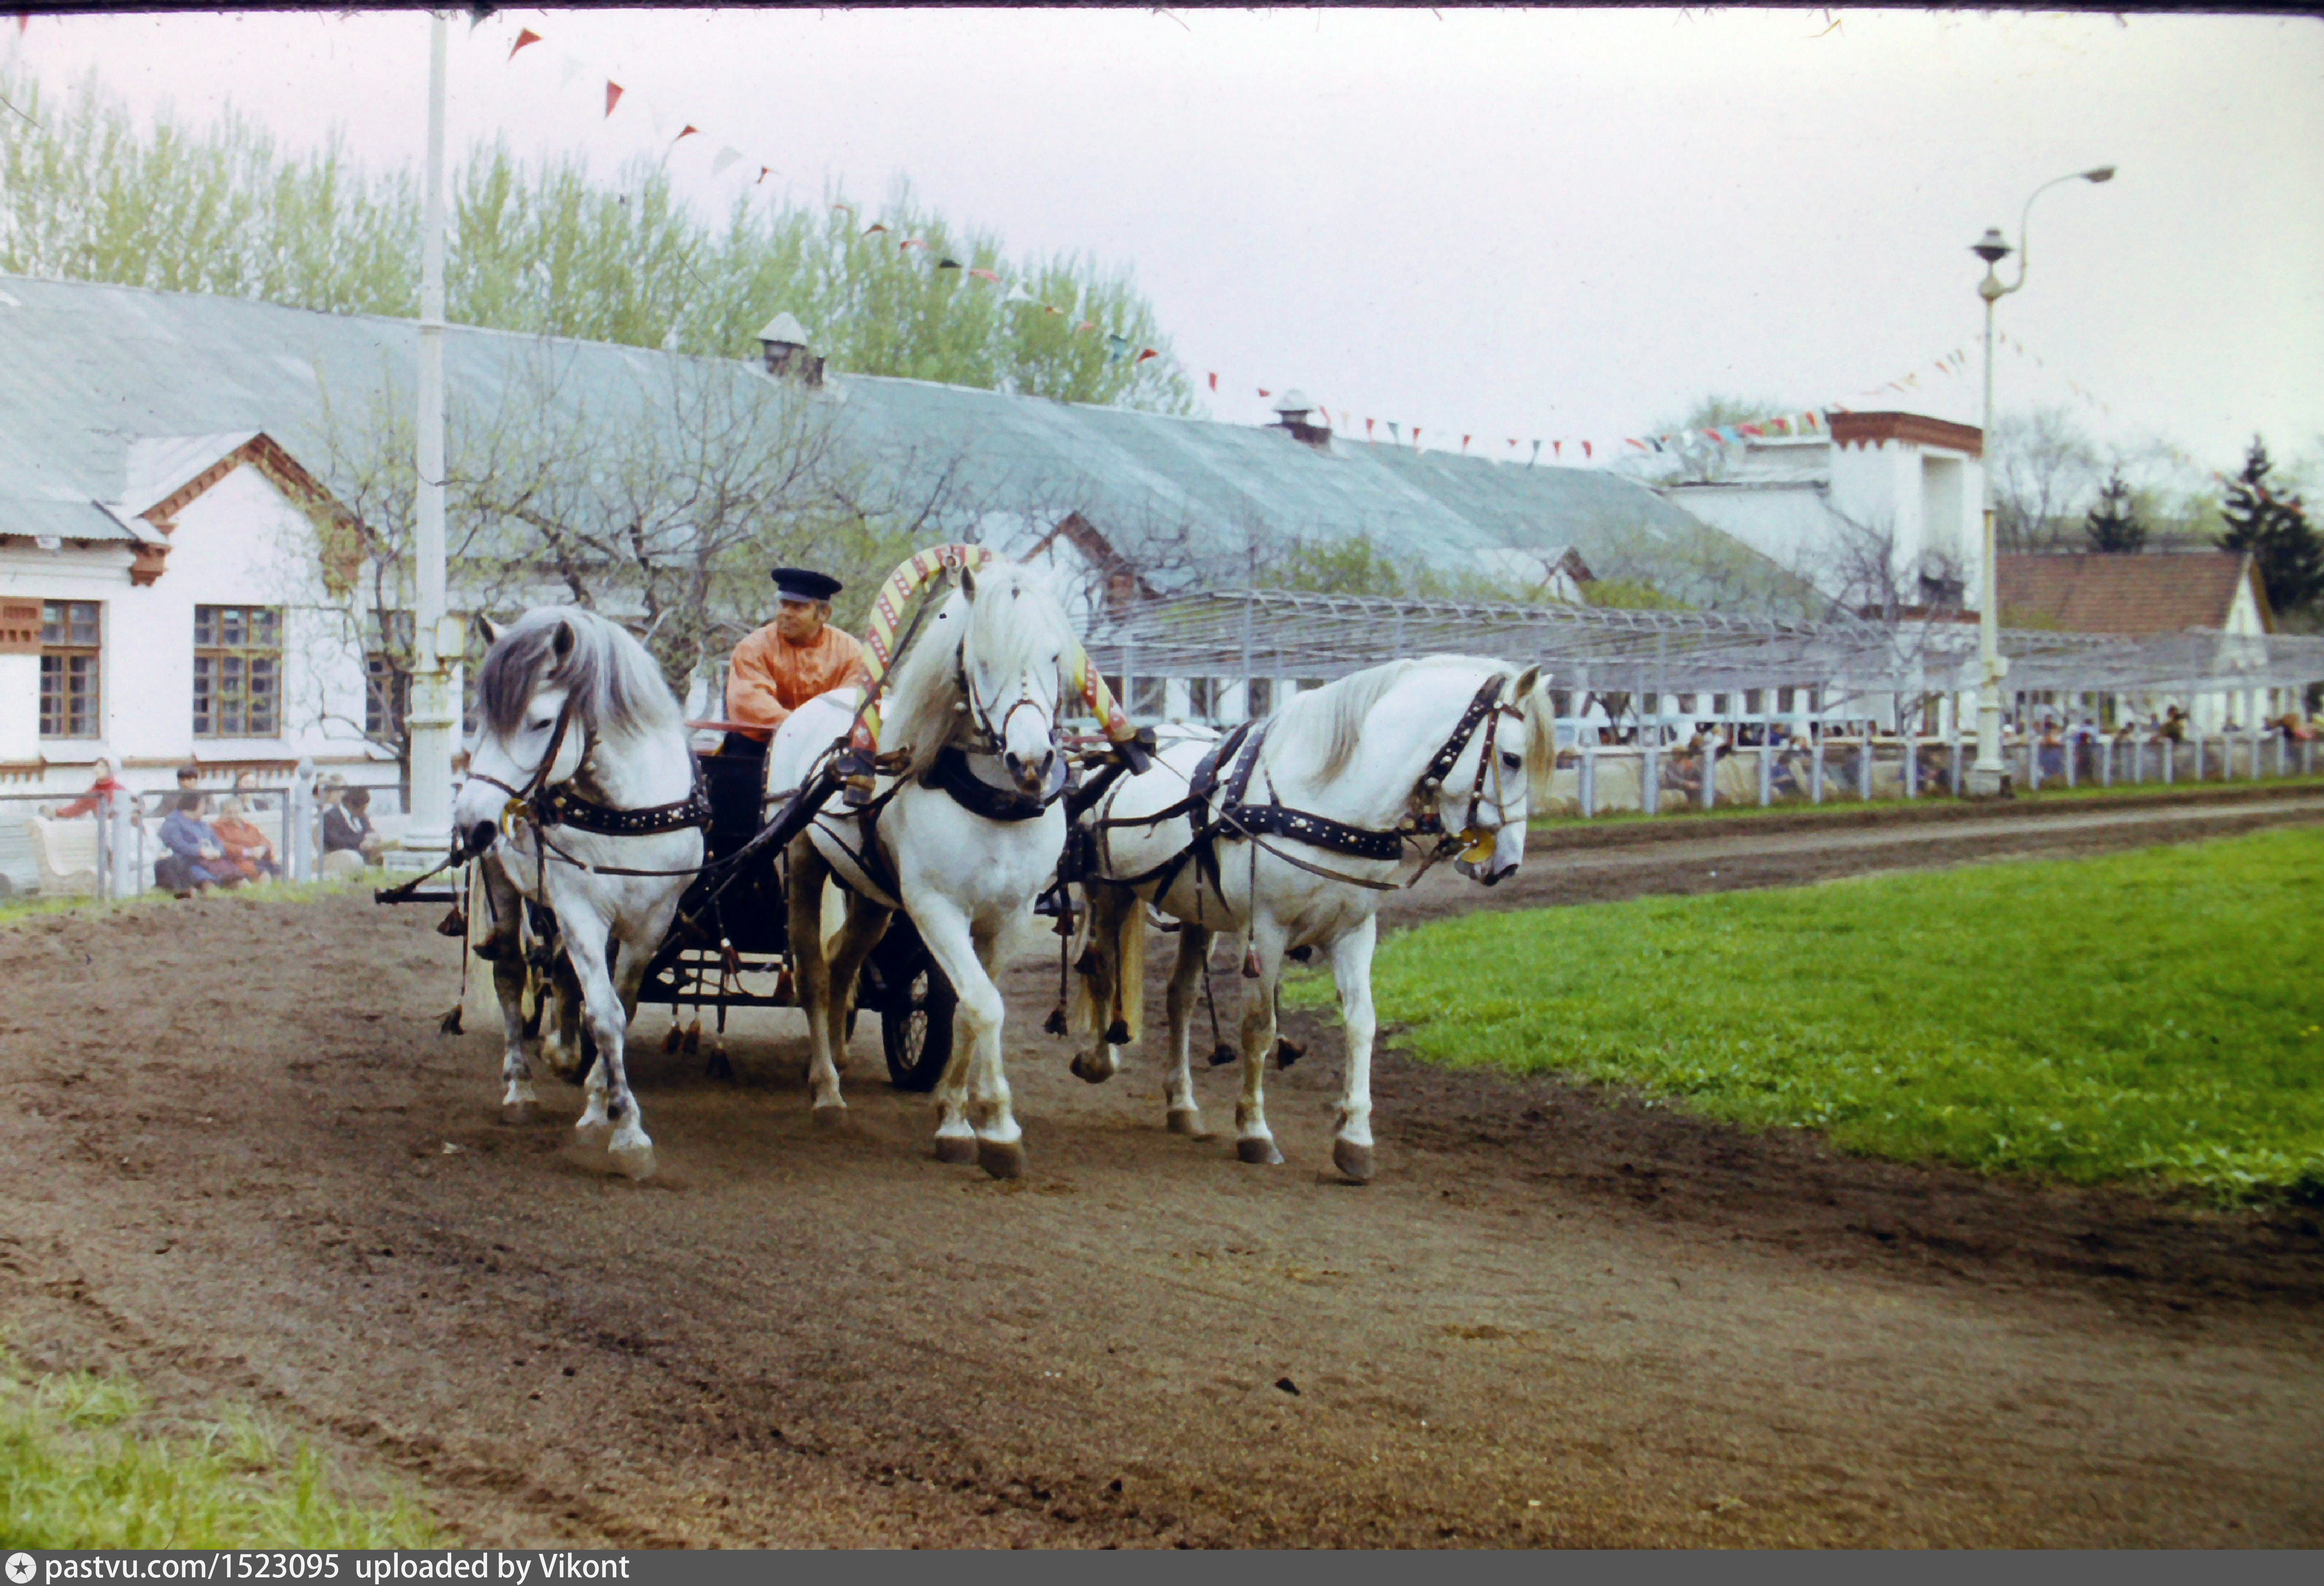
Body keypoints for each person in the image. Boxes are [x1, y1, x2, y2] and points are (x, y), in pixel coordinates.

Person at [723, 567, 874, 741]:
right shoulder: (753, 647)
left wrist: (815, 732)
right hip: (761, 744)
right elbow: (750, 702)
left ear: (824, 614)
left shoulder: (850, 651)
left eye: (798, 607)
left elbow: (850, 701)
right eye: (783, 604)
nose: (786, 613)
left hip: (825, 743)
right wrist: (799, 727)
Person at [156, 791, 242, 896]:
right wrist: (200, 851)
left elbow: (218, 843)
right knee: (208, 884)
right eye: (203, 805)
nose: (204, 808)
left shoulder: (203, 825)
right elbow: (178, 845)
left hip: (213, 862)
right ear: (195, 806)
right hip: (189, 864)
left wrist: (217, 851)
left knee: (239, 881)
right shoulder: (173, 824)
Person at [212, 796, 282, 882]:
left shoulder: (249, 827)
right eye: (230, 813)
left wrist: (262, 849)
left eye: (237, 812)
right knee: (264, 875)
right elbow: (223, 847)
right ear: (222, 814)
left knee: (281, 872)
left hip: (260, 859)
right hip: (239, 862)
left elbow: (266, 842)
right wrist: (249, 852)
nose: (234, 816)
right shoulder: (217, 828)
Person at [321, 786, 384, 878]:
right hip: (342, 857)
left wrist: (372, 838)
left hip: (363, 854)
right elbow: (336, 842)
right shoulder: (331, 817)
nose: (364, 813)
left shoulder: (361, 816)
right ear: (351, 806)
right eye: (362, 809)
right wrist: (362, 840)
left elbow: (369, 831)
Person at [56, 757, 127, 820]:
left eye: (102, 767)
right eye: (96, 766)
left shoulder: (121, 790)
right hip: (102, 829)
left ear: (111, 770)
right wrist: (61, 813)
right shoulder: (92, 793)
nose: (97, 769)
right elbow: (78, 809)